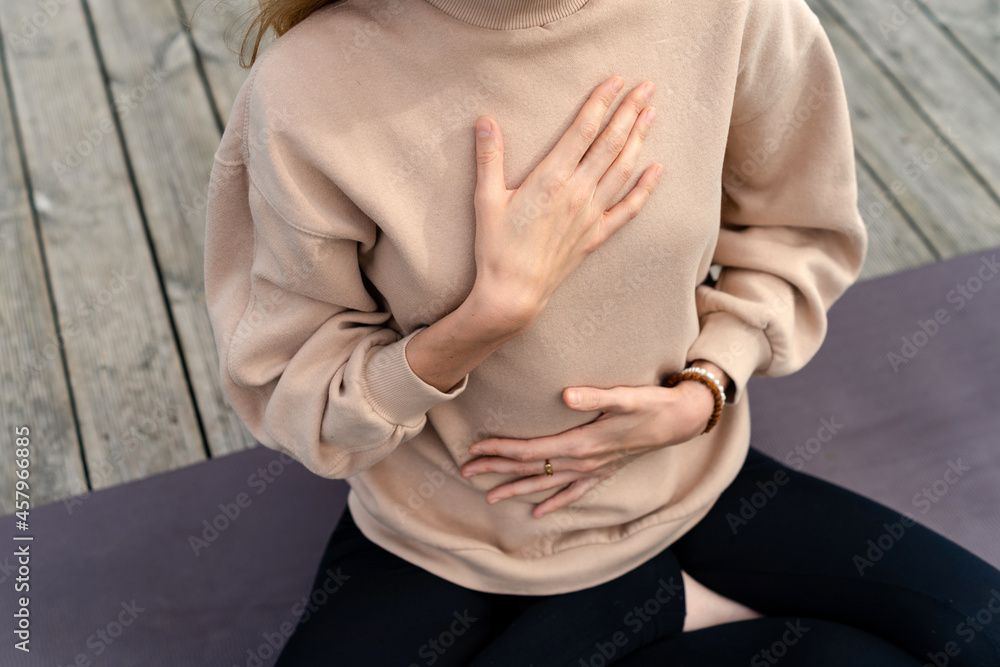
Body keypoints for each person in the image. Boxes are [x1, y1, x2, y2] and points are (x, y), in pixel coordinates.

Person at [202, 0, 1000, 664]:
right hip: (442, 532)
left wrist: (706, 388)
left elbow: (797, 234)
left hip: (687, 482)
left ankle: (649, 601)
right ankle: (659, 604)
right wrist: (483, 321)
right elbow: (289, 384)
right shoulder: (306, 89)